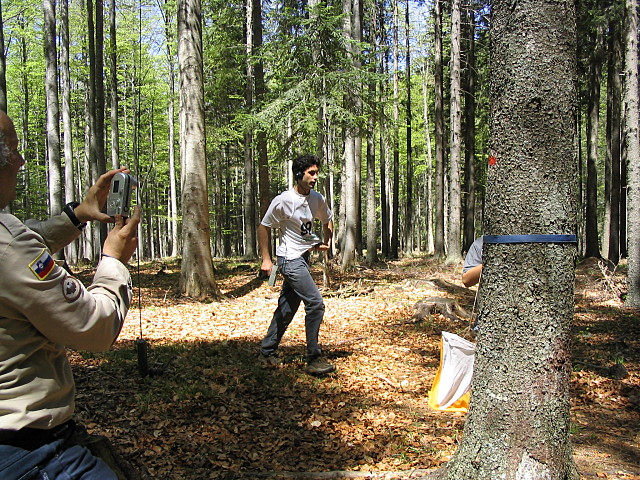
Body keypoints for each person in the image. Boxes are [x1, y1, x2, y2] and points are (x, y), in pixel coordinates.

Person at [0, 110, 141, 479]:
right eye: (13, 150)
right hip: (29, 451)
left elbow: (25, 241)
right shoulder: (8, 245)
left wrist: (77, 215)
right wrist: (114, 261)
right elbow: (94, 328)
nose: (21, 161)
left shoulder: (11, 243)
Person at [258, 154, 335, 376]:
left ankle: (267, 350)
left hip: (303, 257)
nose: (315, 177)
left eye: (317, 173)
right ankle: (313, 358)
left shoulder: (317, 198)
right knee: (315, 303)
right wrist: (266, 259)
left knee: (287, 306)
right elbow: (263, 227)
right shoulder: (284, 200)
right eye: (311, 173)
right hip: (289, 260)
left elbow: (327, 219)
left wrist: (326, 242)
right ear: (299, 174)